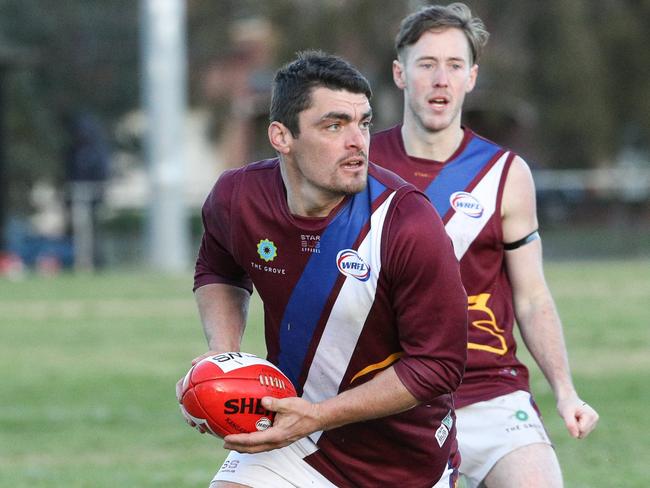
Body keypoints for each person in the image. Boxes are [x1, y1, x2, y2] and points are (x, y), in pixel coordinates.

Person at [177, 50, 468, 488]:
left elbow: (438, 365)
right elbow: (219, 269)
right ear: (281, 136)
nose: (358, 142)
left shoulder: (407, 222)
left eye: (363, 123)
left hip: (405, 462)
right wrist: (225, 357)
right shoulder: (237, 198)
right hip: (296, 441)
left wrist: (317, 416)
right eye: (334, 125)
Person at [369, 4, 599, 488]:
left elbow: (533, 297)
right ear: (400, 74)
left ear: (471, 77)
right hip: (389, 396)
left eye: (454, 65)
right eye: (426, 64)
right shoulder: (361, 166)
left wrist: (566, 391)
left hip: (490, 392)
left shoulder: (506, 174)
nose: (440, 78)